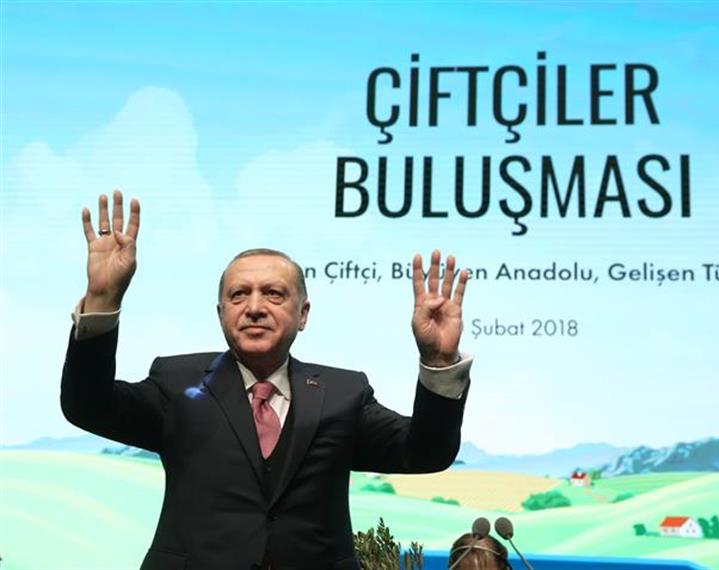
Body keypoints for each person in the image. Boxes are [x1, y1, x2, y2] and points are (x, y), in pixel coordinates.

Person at [61, 191, 472, 570]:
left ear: (303, 314)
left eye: (273, 294)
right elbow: (87, 405)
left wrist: (438, 362)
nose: (254, 307)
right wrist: (102, 301)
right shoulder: (176, 383)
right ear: (221, 313)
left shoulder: (344, 394)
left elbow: (426, 453)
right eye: (239, 295)